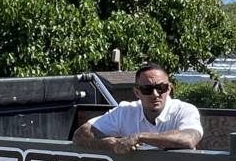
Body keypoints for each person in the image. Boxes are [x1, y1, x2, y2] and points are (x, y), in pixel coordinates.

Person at [73, 63, 203, 154]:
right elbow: (81, 134)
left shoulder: (185, 110)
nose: (155, 94)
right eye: (147, 89)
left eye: (161, 88)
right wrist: (113, 145)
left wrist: (139, 137)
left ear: (169, 89)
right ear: (137, 92)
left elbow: (189, 139)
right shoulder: (125, 111)